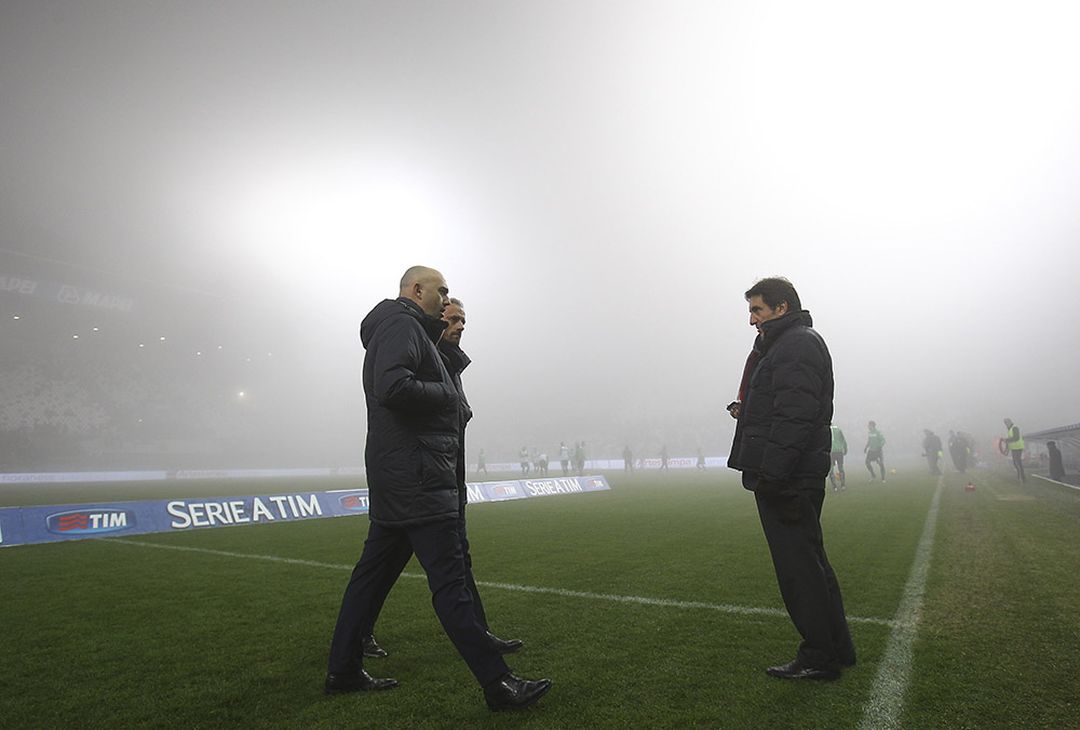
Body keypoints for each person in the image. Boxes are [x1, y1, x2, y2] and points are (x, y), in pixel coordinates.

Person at [324, 266, 550, 710]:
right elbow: (393, 387)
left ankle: (343, 669)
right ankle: (498, 684)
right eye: (441, 290)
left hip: (405, 478)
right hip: (420, 480)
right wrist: (446, 397)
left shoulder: (406, 329)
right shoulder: (402, 324)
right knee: (451, 586)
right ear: (417, 289)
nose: (446, 300)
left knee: (369, 583)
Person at [727, 277, 855, 681]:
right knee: (812, 564)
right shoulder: (786, 345)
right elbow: (782, 407)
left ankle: (819, 656)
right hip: (792, 474)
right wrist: (745, 412)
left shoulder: (796, 344)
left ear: (781, 308)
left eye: (757, 310)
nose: (751, 320)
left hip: (787, 477)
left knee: (799, 570)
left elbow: (795, 416)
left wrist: (773, 475)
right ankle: (837, 648)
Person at [1004, 418, 1026, 483]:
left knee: (1017, 462)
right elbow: (1008, 441)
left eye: (1007, 422)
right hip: (1014, 448)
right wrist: (1006, 449)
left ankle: (1021, 478)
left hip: (1018, 447)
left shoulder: (1015, 428)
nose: (1006, 424)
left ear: (1010, 422)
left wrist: (1007, 440)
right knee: (1015, 463)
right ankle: (1021, 477)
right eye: (1005, 423)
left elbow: (1016, 437)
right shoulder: (1009, 430)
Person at [828, 426, 847, 491]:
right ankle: (843, 485)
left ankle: (834, 486)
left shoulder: (827, 429)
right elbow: (843, 439)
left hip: (831, 452)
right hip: (839, 451)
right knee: (841, 468)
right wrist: (845, 448)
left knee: (831, 469)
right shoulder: (838, 429)